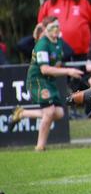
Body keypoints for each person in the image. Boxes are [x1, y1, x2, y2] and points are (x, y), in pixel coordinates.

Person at [7, 16, 84, 151]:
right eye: (52, 27)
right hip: (37, 80)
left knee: (59, 113)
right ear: (46, 30)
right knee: (49, 112)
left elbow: (60, 59)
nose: (56, 29)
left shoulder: (58, 42)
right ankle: (40, 147)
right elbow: (44, 69)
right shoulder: (42, 44)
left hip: (49, 81)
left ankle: (22, 113)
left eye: (57, 26)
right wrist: (69, 71)